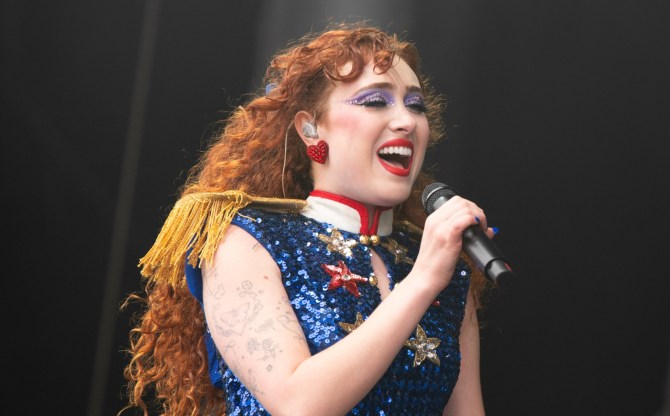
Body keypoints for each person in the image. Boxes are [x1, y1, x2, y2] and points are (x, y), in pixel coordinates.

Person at [123, 24, 494, 416]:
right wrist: (423, 280)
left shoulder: (444, 267)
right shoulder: (247, 239)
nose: (406, 120)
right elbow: (298, 405)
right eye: (375, 101)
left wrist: (435, 271)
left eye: (415, 105)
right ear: (310, 127)